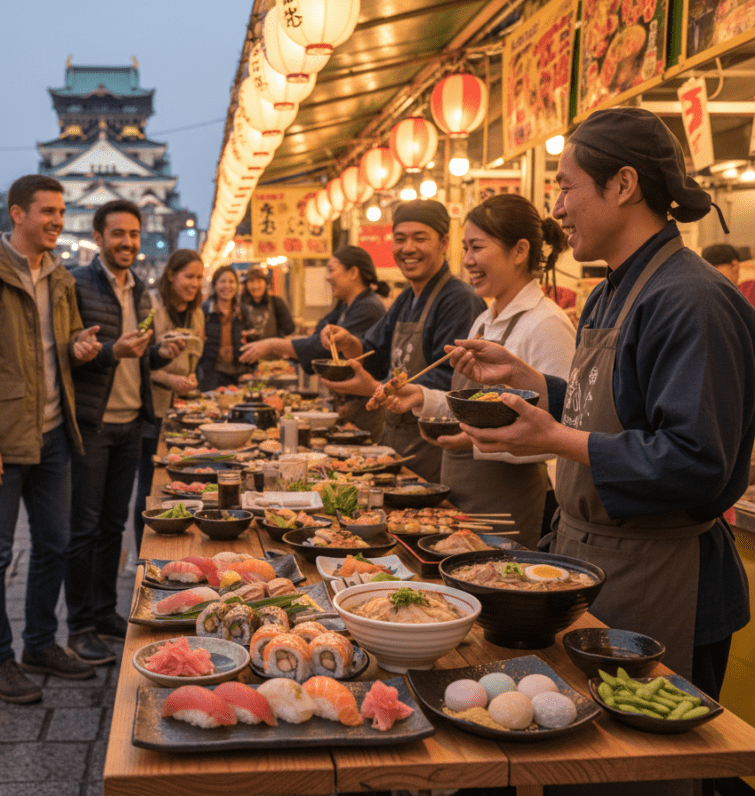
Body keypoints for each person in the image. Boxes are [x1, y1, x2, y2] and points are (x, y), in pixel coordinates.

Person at [447, 108, 751, 721]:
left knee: (640, 771)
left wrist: (556, 438)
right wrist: (533, 384)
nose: (555, 208)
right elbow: (607, 410)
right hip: (596, 564)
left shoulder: (690, 299)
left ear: (623, 185)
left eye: (565, 186)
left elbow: (695, 460)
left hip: (664, 575)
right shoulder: (610, 290)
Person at [0, 175, 102, 703]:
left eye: (61, 211)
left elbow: (67, 338)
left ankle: (39, 643)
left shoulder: (60, 278)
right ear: (17, 214)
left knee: (55, 544)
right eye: (47, 212)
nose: (58, 220)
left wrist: (79, 346)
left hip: (53, 434)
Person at [382, 195, 576, 547]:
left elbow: (561, 434)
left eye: (477, 248)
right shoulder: (485, 320)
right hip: (460, 493)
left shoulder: (546, 323)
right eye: (465, 248)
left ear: (519, 251)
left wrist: (475, 443)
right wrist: (424, 398)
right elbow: (476, 404)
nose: (467, 261)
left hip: (507, 502)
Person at [65, 199, 184, 666]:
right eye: (118, 234)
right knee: (84, 529)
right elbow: (75, 352)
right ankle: (78, 625)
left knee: (113, 526)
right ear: (97, 238)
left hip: (132, 420)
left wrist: (160, 354)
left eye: (133, 234)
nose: (127, 243)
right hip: (94, 423)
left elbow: (138, 354)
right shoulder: (77, 285)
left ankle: (103, 611)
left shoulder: (140, 291)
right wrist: (113, 349)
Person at [319, 199, 486, 481]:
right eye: (399, 239)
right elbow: (373, 352)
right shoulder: (406, 298)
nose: (407, 248)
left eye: (419, 238)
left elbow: (452, 383)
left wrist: (375, 388)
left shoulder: (459, 300)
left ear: (444, 243)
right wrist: (347, 343)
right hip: (396, 442)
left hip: (435, 450)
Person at [240, 245, 389, 438]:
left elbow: (323, 349)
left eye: (331, 270)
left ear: (353, 272)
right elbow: (320, 334)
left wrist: (272, 344)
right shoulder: (347, 304)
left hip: (366, 406)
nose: (327, 277)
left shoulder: (368, 307)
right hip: (351, 404)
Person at [132, 248, 204, 555]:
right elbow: (138, 362)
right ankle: (144, 555)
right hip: (151, 410)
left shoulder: (197, 313)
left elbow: (193, 359)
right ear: (171, 274)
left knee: (180, 487)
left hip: (183, 415)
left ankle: (175, 551)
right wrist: (170, 379)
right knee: (150, 492)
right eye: (189, 276)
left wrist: (190, 378)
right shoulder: (152, 305)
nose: (194, 284)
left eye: (199, 277)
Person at [196, 265, 249, 391]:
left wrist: (250, 369)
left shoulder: (242, 312)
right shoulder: (205, 311)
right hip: (210, 375)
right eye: (222, 281)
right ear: (215, 285)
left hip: (238, 375)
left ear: (237, 286)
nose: (227, 286)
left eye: (231, 282)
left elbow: (251, 342)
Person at [241, 264, 294, 344]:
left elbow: (290, 327)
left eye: (259, 281)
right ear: (246, 285)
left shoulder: (276, 302)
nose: (255, 286)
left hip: (274, 351)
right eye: (251, 281)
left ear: (265, 283)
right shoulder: (242, 306)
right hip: (250, 352)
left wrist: (275, 339)